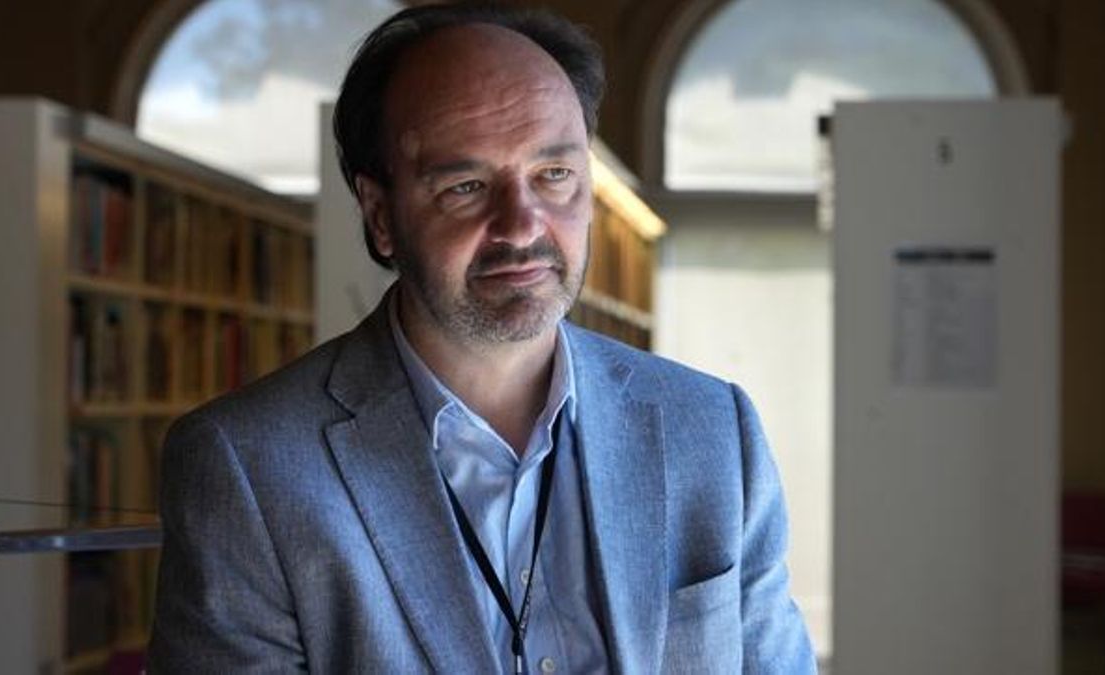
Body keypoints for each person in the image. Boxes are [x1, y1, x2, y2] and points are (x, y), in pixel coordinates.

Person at [148, 4, 815, 673]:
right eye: (466, 186)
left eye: (553, 174)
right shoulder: (249, 468)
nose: (522, 225)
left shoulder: (713, 432)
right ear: (381, 217)